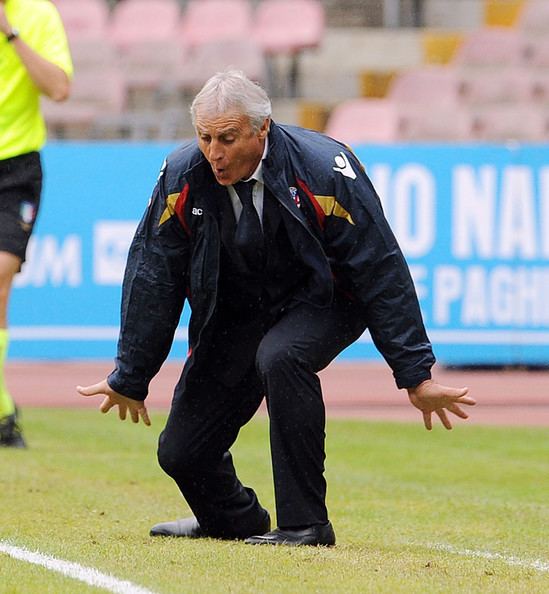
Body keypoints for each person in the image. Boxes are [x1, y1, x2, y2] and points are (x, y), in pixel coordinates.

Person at [78, 70, 475, 546]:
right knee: (181, 453)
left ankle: (307, 524)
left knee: (282, 356)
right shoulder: (182, 175)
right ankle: (233, 519)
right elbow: (152, 272)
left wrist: (416, 373)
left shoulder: (327, 169)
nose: (214, 153)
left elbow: (380, 268)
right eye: (204, 137)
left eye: (227, 138)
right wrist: (131, 374)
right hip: (239, 310)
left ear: (261, 128)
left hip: (325, 299)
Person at [0, 0, 72, 447]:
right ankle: (4, 409)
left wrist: (10, 34)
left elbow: (59, 88)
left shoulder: (38, 14)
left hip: (16, 170)